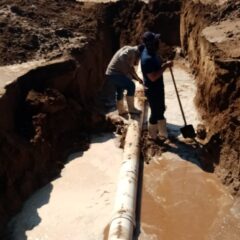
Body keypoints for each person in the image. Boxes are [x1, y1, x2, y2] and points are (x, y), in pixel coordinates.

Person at [140, 31, 173, 140]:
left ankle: (163, 133)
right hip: (152, 89)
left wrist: (164, 62)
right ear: (150, 43)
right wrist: (165, 66)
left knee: (161, 109)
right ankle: (153, 136)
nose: (158, 42)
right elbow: (153, 77)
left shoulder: (151, 51)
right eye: (155, 41)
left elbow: (157, 61)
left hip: (158, 87)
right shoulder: (146, 59)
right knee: (155, 112)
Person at [104, 45, 143, 115]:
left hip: (111, 73)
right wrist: (134, 77)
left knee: (120, 89)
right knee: (131, 85)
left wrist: (138, 79)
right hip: (114, 74)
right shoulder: (132, 52)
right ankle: (131, 109)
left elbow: (130, 68)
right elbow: (128, 65)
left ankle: (121, 110)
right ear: (139, 53)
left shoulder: (130, 49)